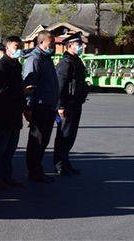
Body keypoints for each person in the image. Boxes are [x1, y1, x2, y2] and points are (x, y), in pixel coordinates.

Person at [0, 36, 25, 189]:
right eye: (16, 47)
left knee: (10, 149)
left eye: (20, 47)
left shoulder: (17, 65)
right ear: (7, 48)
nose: (19, 50)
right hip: (2, 115)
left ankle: (7, 176)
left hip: (15, 114)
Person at [23, 30, 60, 183]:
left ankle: (38, 169)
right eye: (51, 43)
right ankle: (34, 171)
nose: (53, 46)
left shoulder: (46, 58)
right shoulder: (34, 59)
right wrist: (28, 108)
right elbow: (29, 86)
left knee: (44, 140)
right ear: (41, 42)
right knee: (36, 141)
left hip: (49, 106)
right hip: (39, 106)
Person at [53, 32, 88, 176]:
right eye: (78, 44)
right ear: (69, 46)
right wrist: (60, 106)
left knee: (71, 135)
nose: (82, 46)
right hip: (66, 105)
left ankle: (66, 162)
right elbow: (60, 86)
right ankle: (60, 164)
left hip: (75, 103)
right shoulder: (65, 63)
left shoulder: (76, 60)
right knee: (64, 135)